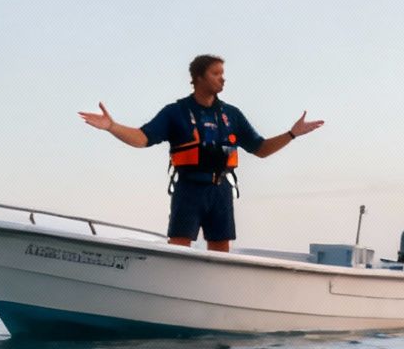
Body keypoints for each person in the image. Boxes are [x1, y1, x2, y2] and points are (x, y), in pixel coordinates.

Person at [79, 54, 323, 252]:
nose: (222, 80)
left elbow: (261, 149)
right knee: (178, 249)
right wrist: (112, 126)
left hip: (221, 191)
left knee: (220, 251)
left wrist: (292, 134)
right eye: (216, 74)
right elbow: (143, 138)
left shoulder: (232, 114)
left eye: (223, 74)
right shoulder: (176, 112)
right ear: (198, 78)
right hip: (189, 190)